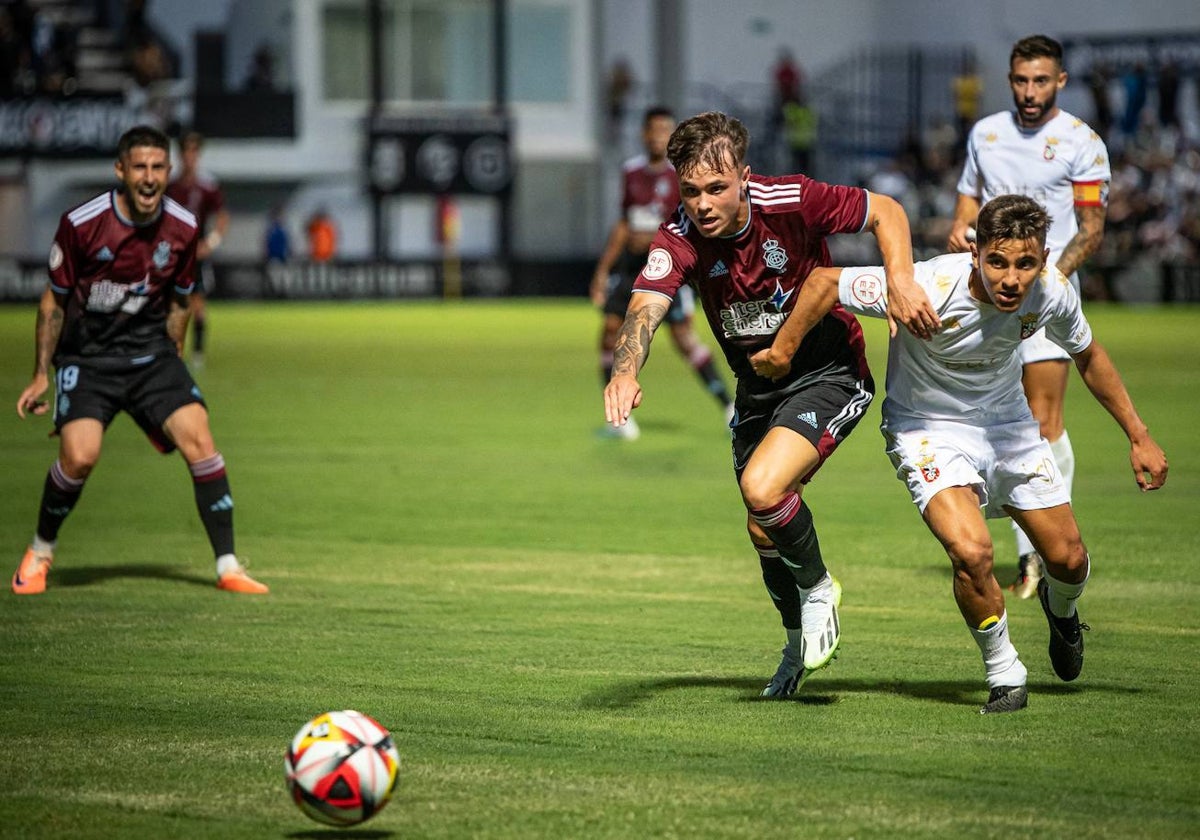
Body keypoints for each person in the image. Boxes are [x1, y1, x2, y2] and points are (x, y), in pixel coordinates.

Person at [752, 194, 1167, 713]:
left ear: (1042, 260)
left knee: (1069, 559)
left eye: (1025, 264)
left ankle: (1062, 611)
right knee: (971, 552)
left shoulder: (1052, 293)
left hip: (1009, 427)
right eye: (997, 262)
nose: (1011, 278)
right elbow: (823, 283)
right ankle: (1004, 671)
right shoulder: (927, 285)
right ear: (977, 255)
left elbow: (1088, 355)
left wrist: (1138, 434)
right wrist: (782, 350)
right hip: (926, 429)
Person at [603, 111, 938, 697]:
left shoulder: (792, 199)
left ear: (744, 178)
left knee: (763, 489)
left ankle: (819, 591)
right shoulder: (677, 236)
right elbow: (645, 308)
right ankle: (793, 646)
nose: (702, 204)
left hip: (828, 373)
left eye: (716, 188)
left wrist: (901, 281)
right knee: (765, 531)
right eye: (690, 191)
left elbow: (887, 211)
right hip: (757, 389)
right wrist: (624, 370)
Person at [12, 124, 268, 597]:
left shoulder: (184, 227)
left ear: (168, 171)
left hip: (151, 356)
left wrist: (172, 360)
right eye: (139, 168)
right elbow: (53, 303)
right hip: (89, 359)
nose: (149, 178)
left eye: (157, 168)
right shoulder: (82, 224)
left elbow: (180, 301)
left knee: (201, 442)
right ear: (121, 171)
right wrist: (40, 374)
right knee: (79, 457)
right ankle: (39, 551)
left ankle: (228, 565)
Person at [947, 34, 1110, 599]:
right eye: (1021, 80)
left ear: (1060, 81)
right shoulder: (985, 134)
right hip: (987, 297)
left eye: (1041, 80)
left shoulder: (1080, 141)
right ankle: (1028, 551)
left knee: (1041, 420)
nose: (1030, 91)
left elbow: (1091, 228)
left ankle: (1036, 555)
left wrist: (1050, 280)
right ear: (1010, 79)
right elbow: (969, 203)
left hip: (1045, 293)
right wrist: (958, 227)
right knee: (993, 416)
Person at [590, 106, 734, 439]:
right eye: (654, 130)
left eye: (665, 130)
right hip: (630, 269)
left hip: (669, 267)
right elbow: (624, 224)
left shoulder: (682, 175)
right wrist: (603, 270)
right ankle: (621, 420)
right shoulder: (631, 172)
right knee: (610, 334)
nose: (659, 136)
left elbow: (696, 222)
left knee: (684, 340)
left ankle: (729, 407)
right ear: (644, 133)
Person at [166, 130, 228, 369]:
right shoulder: (170, 186)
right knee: (171, 306)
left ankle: (198, 354)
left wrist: (211, 242)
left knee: (198, 305)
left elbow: (222, 217)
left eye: (194, 152)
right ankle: (171, 353)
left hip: (196, 255)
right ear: (180, 155)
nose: (190, 157)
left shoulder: (207, 186)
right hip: (172, 254)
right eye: (186, 151)